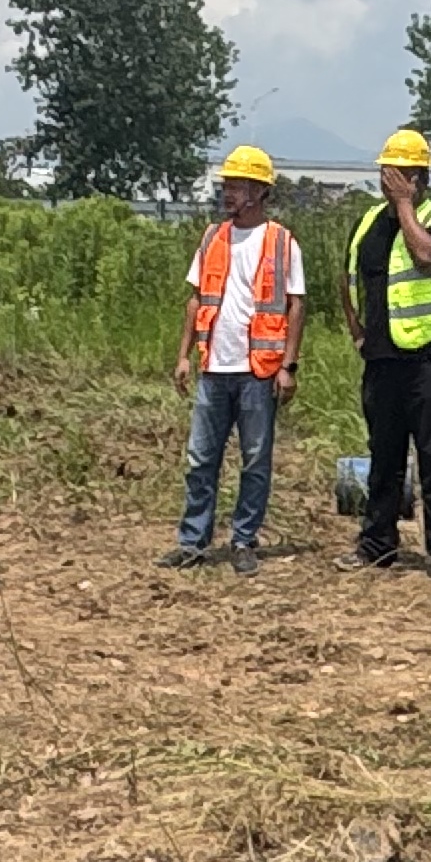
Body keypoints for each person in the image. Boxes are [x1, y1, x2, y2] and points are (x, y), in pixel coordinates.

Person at [347, 127, 431, 598]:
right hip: (382, 359)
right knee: (384, 453)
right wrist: (358, 332)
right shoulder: (367, 222)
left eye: (400, 174)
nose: (389, 180)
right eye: (387, 173)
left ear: (419, 178)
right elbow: (349, 278)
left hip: (428, 359)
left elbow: (426, 256)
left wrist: (404, 206)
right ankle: (377, 543)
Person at [164, 146, 303, 577]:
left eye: (238, 186)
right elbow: (195, 300)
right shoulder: (212, 238)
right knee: (200, 459)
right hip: (214, 368)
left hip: (258, 371)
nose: (229, 193)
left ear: (260, 192)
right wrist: (183, 355)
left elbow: (296, 306)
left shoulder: (281, 242)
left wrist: (288, 366)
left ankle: (244, 540)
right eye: (227, 185)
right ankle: (193, 542)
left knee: (255, 461)